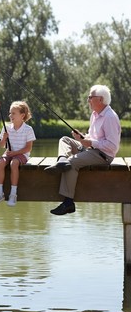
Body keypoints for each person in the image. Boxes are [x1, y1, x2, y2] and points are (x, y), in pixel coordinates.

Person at [45, 84, 121, 215]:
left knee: (72, 162)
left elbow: (112, 146)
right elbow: (92, 137)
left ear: (100, 99)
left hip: (103, 155)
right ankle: (61, 161)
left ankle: (68, 202)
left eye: (91, 97)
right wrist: (82, 138)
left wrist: (90, 142)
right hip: (90, 149)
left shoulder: (110, 117)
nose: (88, 100)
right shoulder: (95, 114)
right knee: (65, 139)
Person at [0, 101, 36, 207]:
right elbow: (2, 146)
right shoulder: (6, 128)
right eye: (10, 113)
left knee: (14, 164)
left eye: (13, 113)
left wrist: (15, 153)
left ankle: (13, 193)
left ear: (22, 115)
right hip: (9, 153)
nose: (10, 115)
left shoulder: (28, 129)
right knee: (0, 163)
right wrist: (4, 138)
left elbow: (28, 148)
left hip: (22, 154)